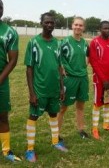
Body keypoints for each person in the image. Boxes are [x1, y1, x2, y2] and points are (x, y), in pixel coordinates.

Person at [24, 12, 67, 163]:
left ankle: (55, 141)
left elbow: (59, 67)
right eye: (47, 22)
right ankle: (29, 149)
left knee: (53, 114)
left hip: (54, 88)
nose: (49, 25)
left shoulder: (58, 43)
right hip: (39, 89)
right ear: (41, 23)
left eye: (52, 23)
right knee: (34, 116)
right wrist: (31, 93)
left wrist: (62, 88)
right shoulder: (33, 42)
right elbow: (29, 69)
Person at [57, 16, 89, 139]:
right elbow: (57, 57)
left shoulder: (85, 43)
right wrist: (62, 67)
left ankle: (81, 130)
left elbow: (87, 56)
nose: (78, 27)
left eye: (80, 25)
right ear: (72, 26)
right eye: (76, 24)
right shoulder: (65, 42)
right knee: (63, 107)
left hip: (83, 78)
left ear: (83, 28)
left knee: (80, 106)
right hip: (70, 79)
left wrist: (83, 66)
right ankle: (56, 134)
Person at [89, 21, 109, 140]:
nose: (107, 30)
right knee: (98, 103)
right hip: (99, 79)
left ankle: (106, 124)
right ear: (100, 29)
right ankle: (95, 128)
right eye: (105, 28)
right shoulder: (94, 42)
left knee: (108, 101)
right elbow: (94, 62)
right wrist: (103, 79)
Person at [0, 0, 21, 162]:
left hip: (1, 81)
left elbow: (13, 60)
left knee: (2, 116)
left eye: (0, 7)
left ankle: (6, 150)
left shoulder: (10, 32)